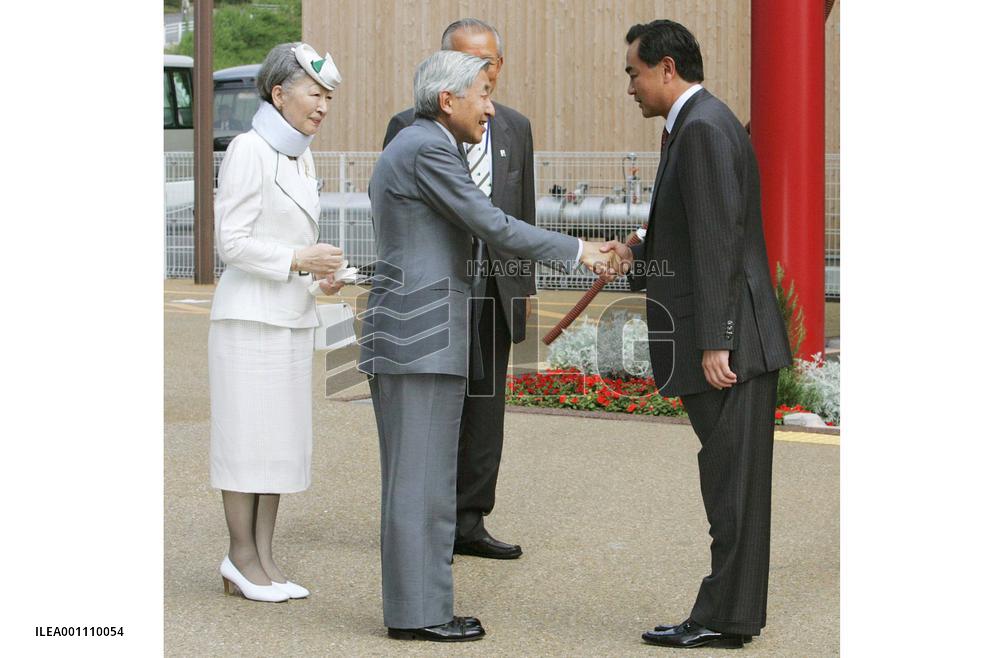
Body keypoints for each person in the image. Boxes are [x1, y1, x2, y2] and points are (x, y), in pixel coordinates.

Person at [361, 50, 609, 641]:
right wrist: (581, 250)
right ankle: (420, 614)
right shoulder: (426, 148)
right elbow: (492, 223)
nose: (490, 107)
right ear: (448, 100)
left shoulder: (424, 142)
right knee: (420, 480)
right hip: (420, 335)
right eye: (482, 94)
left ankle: (421, 605)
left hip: (421, 332)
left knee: (422, 477)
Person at [601, 19, 793, 649]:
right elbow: (697, 225)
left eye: (633, 72)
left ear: (665, 68)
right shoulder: (698, 124)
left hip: (729, 346)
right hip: (732, 337)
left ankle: (721, 618)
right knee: (732, 484)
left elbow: (718, 242)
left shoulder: (703, 129)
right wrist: (641, 245)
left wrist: (716, 340)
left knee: (731, 489)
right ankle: (730, 614)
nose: (629, 85)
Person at [382, 18, 532, 562]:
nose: (482, 72)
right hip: (435, 293)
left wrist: (525, 290)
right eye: (469, 61)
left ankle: (469, 520)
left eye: (488, 63)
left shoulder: (514, 127)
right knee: (434, 410)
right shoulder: (410, 128)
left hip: (495, 286)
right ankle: (429, 522)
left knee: (485, 412)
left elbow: (521, 211)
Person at [209, 41, 345, 603]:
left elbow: (291, 244)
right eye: (315, 94)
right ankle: (240, 558)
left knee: (280, 446)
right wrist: (297, 260)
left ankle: (264, 558)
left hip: (289, 317)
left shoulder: (299, 155)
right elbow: (232, 242)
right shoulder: (249, 149)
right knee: (247, 443)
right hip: (248, 320)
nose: (323, 106)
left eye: (328, 97)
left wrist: (319, 279)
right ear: (278, 92)